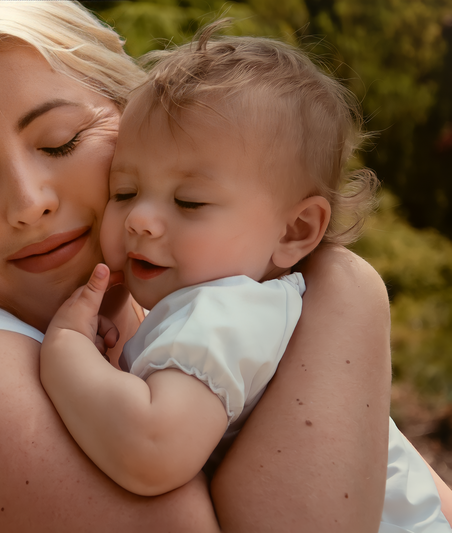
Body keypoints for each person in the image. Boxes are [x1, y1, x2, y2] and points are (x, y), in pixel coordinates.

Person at [0, 1, 408, 531]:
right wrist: (344, 289)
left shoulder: (192, 316)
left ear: (134, 116)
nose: (29, 203)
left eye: (61, 141)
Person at [39, 24, 452, 532]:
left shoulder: (225, 310)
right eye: (123, 191)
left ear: (296, 230)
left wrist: (65, 353)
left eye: (189, 201)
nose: (140, 219)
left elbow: (151, 450)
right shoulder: (268, 309)